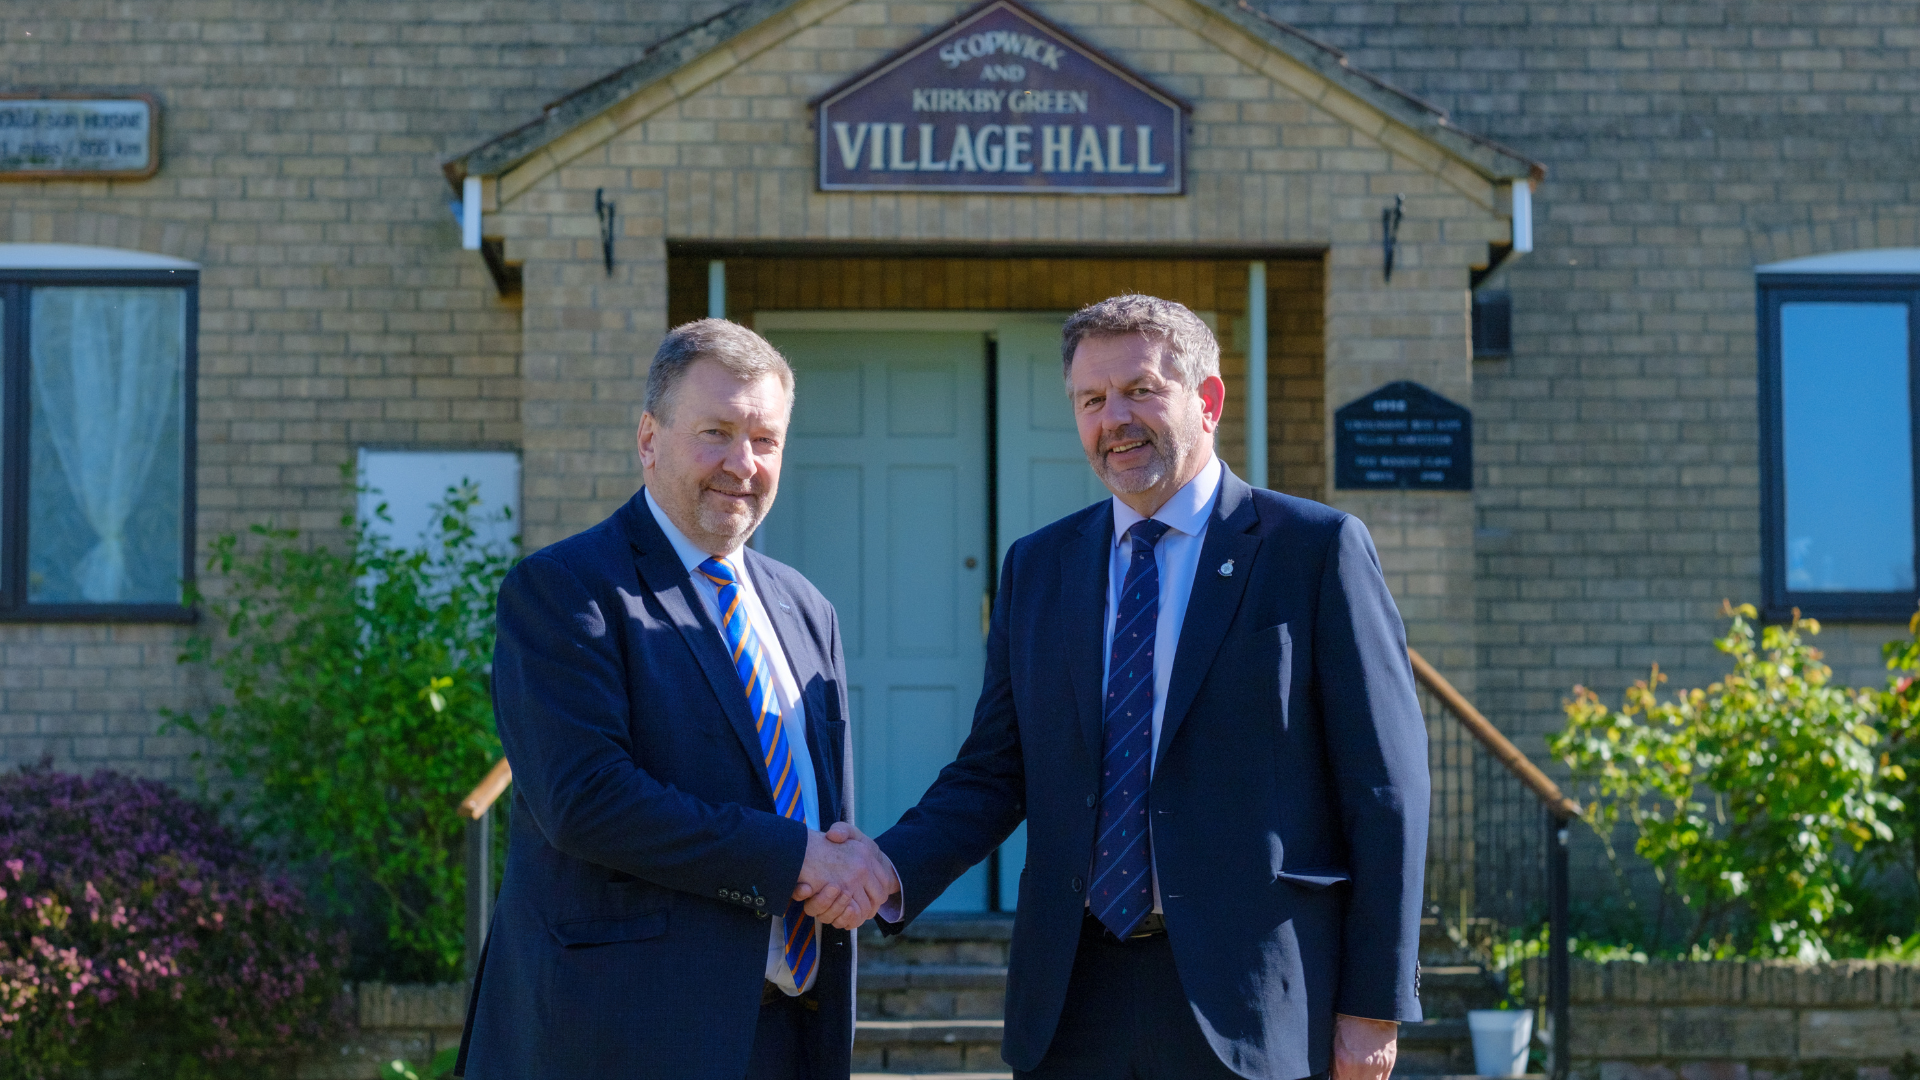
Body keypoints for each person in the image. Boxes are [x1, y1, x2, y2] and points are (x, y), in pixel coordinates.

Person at [821, 295, 1429, 1080]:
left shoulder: (1313, 551)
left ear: (1208, 401)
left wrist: (1373, 1004)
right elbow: (994, 772)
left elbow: (1386, 788)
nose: (1115, 419)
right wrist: (887, 866)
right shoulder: (1041, 567)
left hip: (1253, 1001)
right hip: (1074, 998)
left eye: (1141, 390)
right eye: (1092, 400)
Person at [455, 319, 898, 1080]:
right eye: (716, 433)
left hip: (790, 1035)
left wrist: (855, 868)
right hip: (623, 1037)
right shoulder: (566, 590)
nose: (743, 464)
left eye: (765, 440)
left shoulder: (806, 608)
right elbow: (584, 799)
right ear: (649, 439)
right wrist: (795, 858)